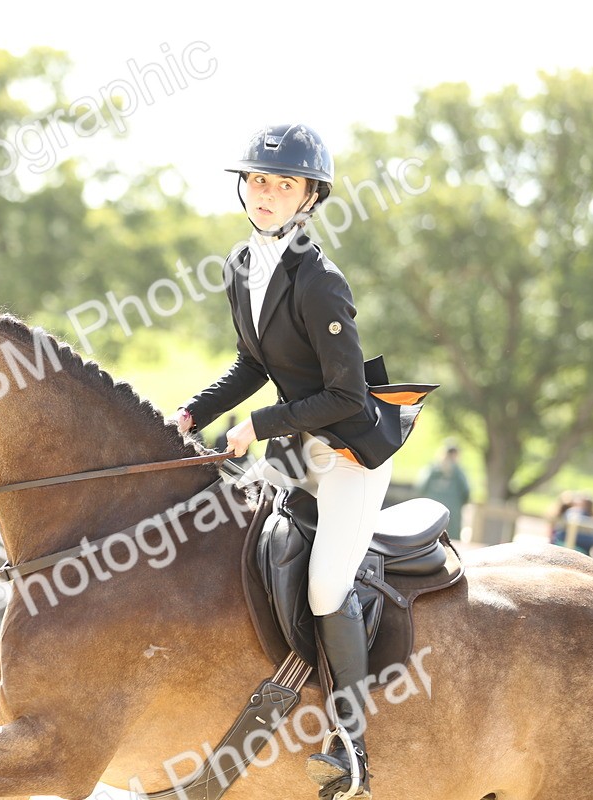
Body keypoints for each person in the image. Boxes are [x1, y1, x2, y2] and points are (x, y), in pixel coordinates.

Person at [171, 124, 431, 799]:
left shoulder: (321, 281)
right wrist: (193, 413)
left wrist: (256, 427)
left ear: (309, 197)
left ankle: (350, 747)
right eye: (258, 179)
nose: (266, 193)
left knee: (323, 586)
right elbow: (253, 365)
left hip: (348, 452)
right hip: (295, 448)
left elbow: (344, 394)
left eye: (282, 184)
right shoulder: (240, 265)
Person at [415, 440, 471, 539]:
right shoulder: (433, 470)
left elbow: (466, 493)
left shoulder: (458, 473)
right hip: (434, 516)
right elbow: (421, 487)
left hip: (450, 519)